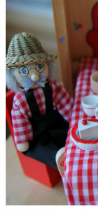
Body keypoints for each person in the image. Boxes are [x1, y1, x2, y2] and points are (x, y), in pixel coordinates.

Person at [6, 32, 72, 169]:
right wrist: (23, 140)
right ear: (12, 75)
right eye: (24, 71)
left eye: (40, 67)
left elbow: (64, 103)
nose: (35, 76)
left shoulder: (53, 86)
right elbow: (20, 122)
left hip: (57, 123)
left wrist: (73, 118)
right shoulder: (20, 101)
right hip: (36, 134)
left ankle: (72, 152)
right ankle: (61, 160)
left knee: (71, 135)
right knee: (41, 148)